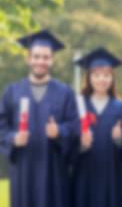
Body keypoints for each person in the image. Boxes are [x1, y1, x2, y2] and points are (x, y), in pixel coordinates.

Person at [0, 29, 80, 207]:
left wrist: (60, 131)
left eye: (45, 57)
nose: (40, 61)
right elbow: (1, 126)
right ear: (28, 58)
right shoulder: (12, 92)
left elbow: (75, 127)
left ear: (52, 59)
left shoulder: (65, 93)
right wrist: (13, 138)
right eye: (36, 56)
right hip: (23, 171)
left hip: (54, 172)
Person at [71, 47, 122, 207]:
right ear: (89, 78)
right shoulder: (78, 108)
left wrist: (120, 139)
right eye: (96, 75)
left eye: (106, 75)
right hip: (84, 177)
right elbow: (67, 147)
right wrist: (81, 145)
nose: (101, 79)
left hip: (111, 177)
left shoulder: (121, 108)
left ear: (112, 78)